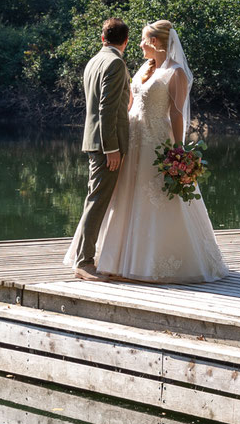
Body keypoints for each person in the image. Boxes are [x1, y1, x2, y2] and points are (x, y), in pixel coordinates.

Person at [94, 20, 228, 283]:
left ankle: (153, 261)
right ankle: (119, 259)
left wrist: (179, 151)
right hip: (134, 139)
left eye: (144, 40)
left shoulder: (176, 73)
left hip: (157, 141)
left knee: (158, 197)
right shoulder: (144, 68)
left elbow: (177, 114)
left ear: (155, 42)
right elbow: (131, 104)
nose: (140, 45)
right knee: (126, 196)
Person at [65, 18, 131, 280]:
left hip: (95, 141)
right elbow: (106, 109)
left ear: (102, 38)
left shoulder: (94, 60)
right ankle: (84, 261)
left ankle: (84, 256)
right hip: (106, 144)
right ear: (125, 41)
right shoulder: (115, 62)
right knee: (97, 199)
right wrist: (111, 148)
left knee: (95, 197)